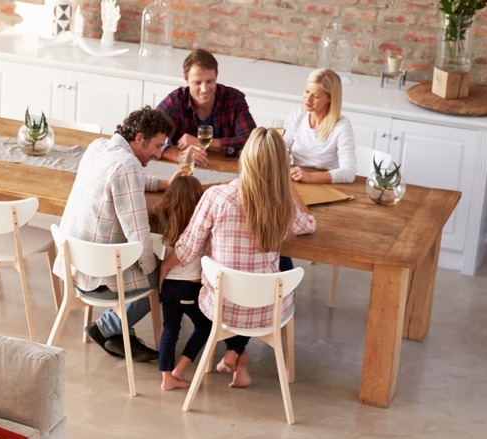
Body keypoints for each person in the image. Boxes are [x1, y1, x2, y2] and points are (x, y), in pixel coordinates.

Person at [160, 127, 316, 388]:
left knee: (232, 279)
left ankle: (235, 355)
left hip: (220, 307)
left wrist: (164, 266)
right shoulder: (283, 205)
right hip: (267, 312)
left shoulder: (217, 197)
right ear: (282, 167)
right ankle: (236, 354)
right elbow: (309, 224)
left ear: (245, 159)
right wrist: (287, 188)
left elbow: (187, 247)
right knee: (277, 270)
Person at [56, 106, 176, 362]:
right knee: (169, 273)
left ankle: (120, 332)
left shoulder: (99, 147)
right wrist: (154, 266)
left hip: (74, 263)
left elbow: (123, 177)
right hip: (98, 275)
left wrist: (162, 183)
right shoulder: (128, 166)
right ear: (140, 137)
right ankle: (108, 327)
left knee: (153, 264)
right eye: (156, 146)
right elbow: (138, 233)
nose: (158, 154)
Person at [154, 175, 212, 391]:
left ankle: (166, 377)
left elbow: (158, 206)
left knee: (170, 329)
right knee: (206, 325)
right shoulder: (200, 226)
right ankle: (181, 367)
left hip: (168, 285)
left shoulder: (166, 216)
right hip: (189, 287)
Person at [156, 49, 257, 167]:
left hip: (226, 168)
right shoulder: (175, 101)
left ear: (216, 76)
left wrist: (202, 142)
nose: (204, 89)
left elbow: (252, 141)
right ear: (186, 79)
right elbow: (145, 135)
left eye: (209, 81)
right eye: (197, 83)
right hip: (185, 169)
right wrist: (179, 156)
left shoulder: (234, 99)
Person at [282, 68, 357, 185]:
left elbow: (349, 173)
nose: (308, 99)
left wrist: (310, 177)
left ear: (330, 99)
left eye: (316, 96)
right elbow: (282, 149)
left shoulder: (342, 126)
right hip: (298, 182)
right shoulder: (297, 115)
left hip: (326, 186)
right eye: (307, 91)